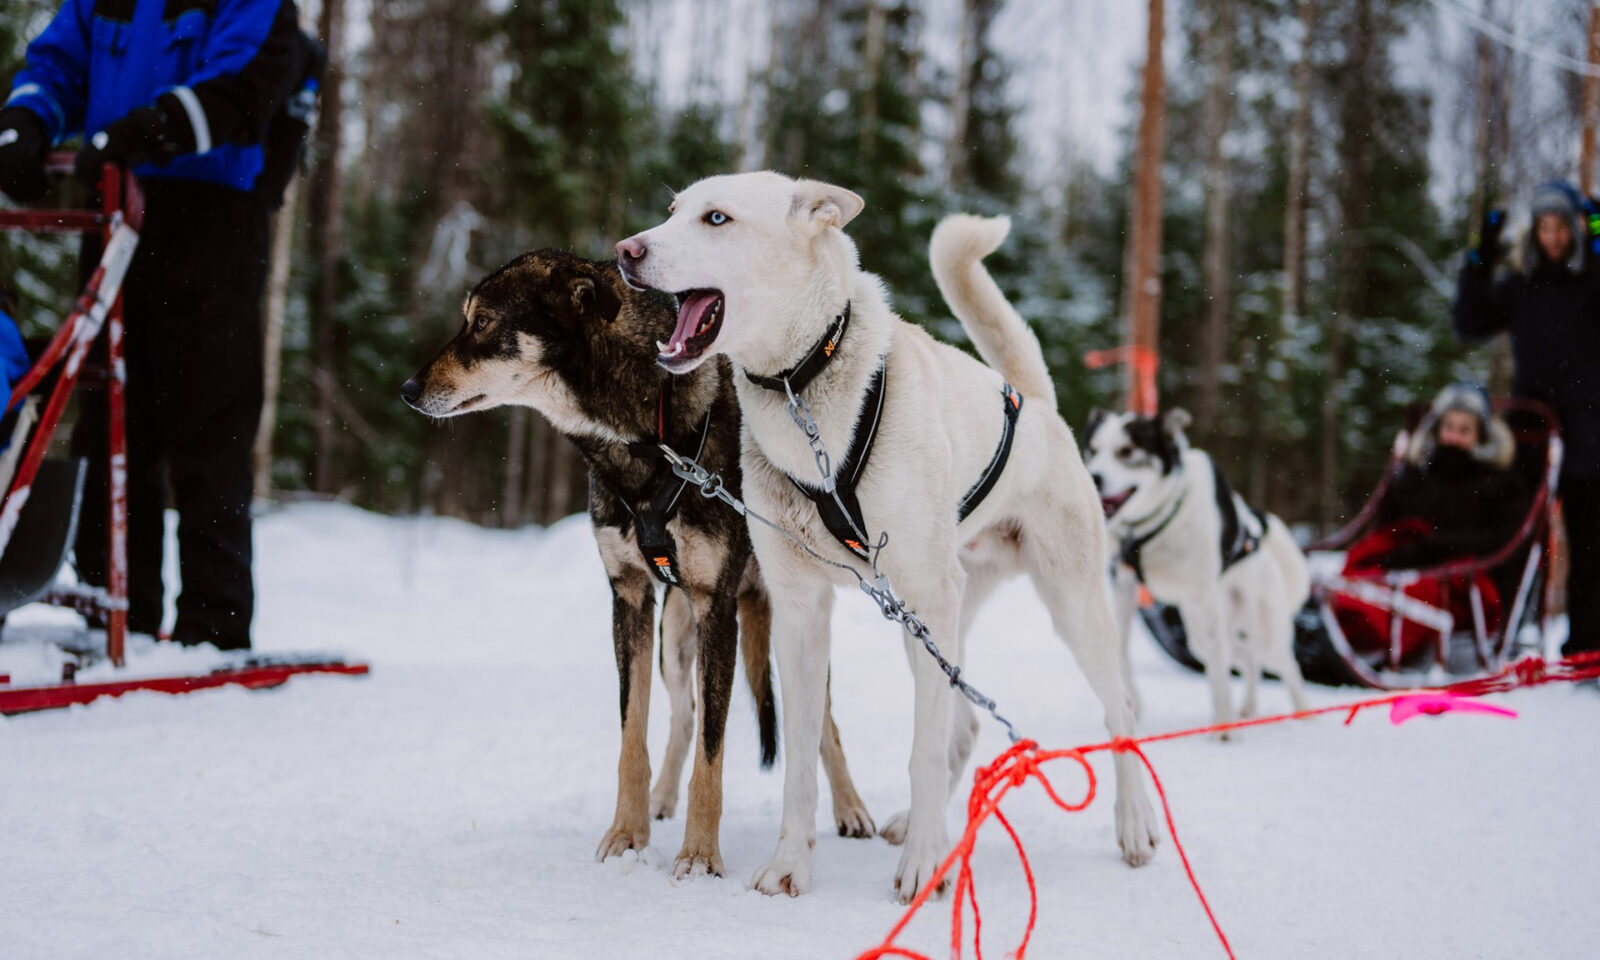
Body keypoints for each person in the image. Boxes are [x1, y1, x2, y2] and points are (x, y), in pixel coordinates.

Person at [0, 1, 305, 649]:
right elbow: (57, 62)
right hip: (113, 208)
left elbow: (245, 84)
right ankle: (112, 614)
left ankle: (213, 628)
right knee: (110, 418)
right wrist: (27, 119)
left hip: (212, 216)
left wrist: (150, 128)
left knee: (208, 423)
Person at [1455, 181, 1600, 659]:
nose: (1553, 237)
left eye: (1562, 227)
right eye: (1545, 227)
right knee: (1515, 536)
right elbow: (1470, 322)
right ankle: (1500, 637)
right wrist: (1482, 254)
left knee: (1589, 545)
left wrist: (1598, 229)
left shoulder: (1592, 280)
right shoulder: (1521, 285)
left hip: (1589, 434)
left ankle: (1587, 649)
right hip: (1531, 430)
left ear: (1575, 230)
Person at [1333, 384, 1527, 661]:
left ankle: (1358, 638)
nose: (1454, 437)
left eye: (1465, 430)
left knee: (1409, 594)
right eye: (1448, 427)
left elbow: (1501, 540)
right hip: (1408, 568)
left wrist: (1432, 548)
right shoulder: (1416, 477)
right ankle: (1330, 625)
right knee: (1360, 576)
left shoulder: (1501, 484)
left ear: (1481, 436)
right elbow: (1389, 529)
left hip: (1465, 584)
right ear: (1436, 429)